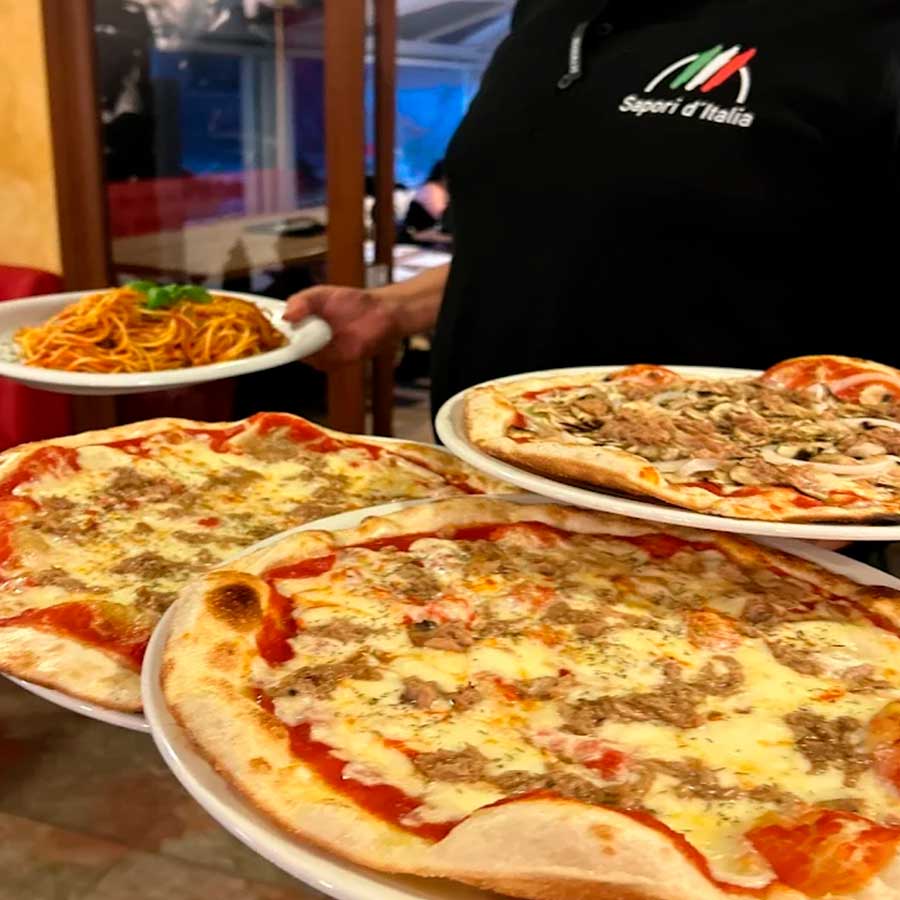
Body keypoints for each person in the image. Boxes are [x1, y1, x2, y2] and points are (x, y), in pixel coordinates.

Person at [286, 0, 900, 422]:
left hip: (736, 533)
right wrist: (392, 309)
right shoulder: (546, 17)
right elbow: (552, 241)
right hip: (481, 481)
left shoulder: (866, 28)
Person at [400, 160, 452, 245]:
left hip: (430, 236)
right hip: (415, 238)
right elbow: (444, 219)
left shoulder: (442, 190)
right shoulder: (431, 189)